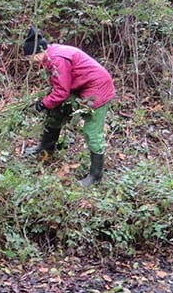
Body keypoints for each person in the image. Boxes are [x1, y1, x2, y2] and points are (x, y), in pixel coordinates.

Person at [22, 26, 116, 187]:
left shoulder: (57, 59)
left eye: (30, 58)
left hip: (97, 90)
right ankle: (45, 149)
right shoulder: (50, 55)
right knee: (55, 112)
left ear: (38, 52)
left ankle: (95, 175)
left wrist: (43, 103)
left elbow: (61, 92)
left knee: (91, 131)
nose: (30, 62)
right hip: (81, 87)